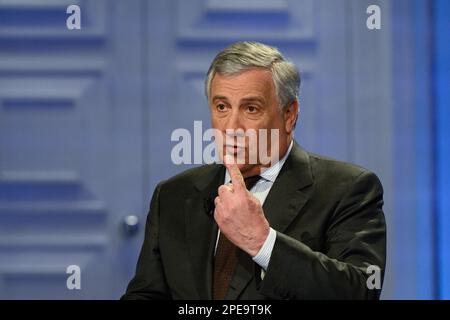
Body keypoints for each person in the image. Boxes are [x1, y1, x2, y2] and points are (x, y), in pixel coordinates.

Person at [122, 41, 386, 300]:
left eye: (251, 108)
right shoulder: (173, 195)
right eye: (222, 107)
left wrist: (262, 242)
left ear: (289, 115)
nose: (231, 126)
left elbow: (361, 290)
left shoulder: (348, 189)